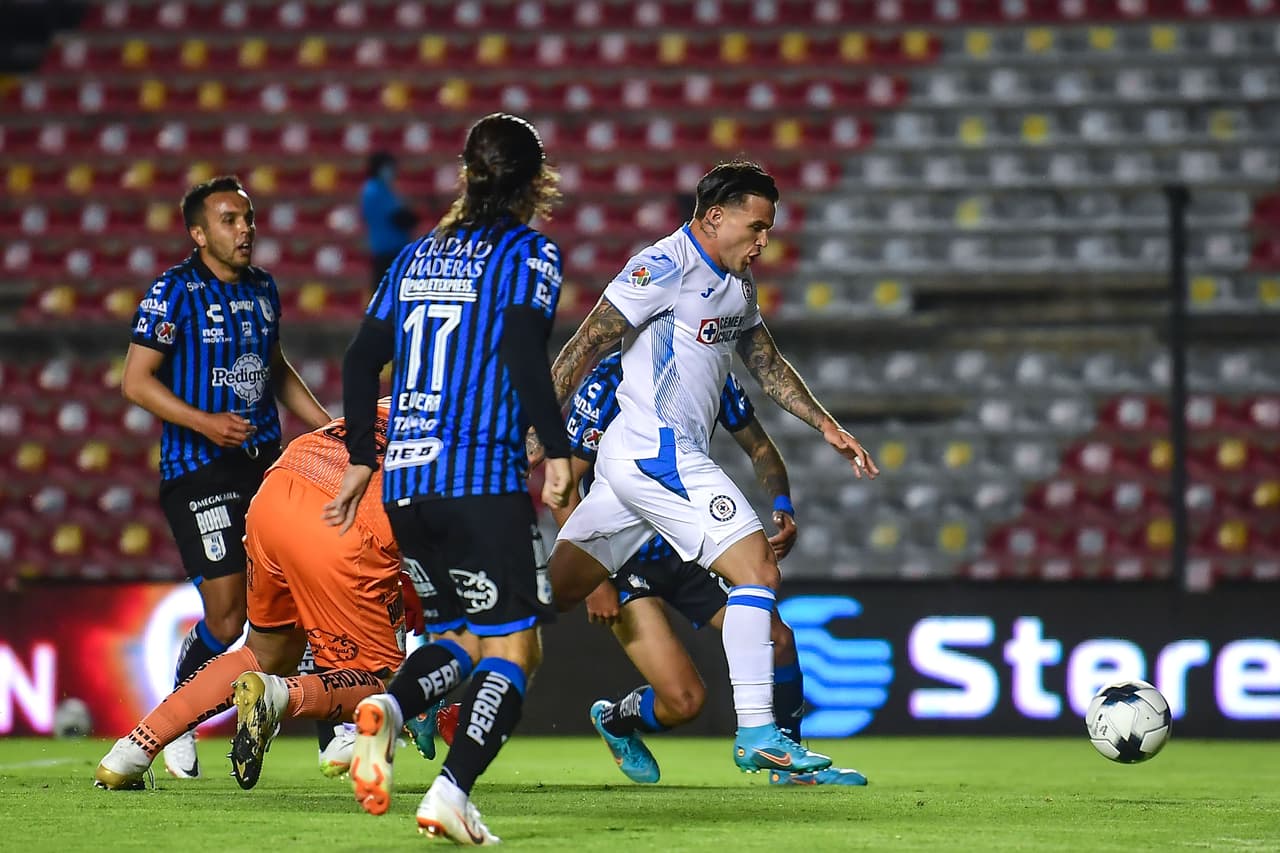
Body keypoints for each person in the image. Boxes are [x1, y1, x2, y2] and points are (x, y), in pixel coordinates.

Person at [542, 159, 879, 777]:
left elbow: (765, 359)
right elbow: (589, 340)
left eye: (769, 230)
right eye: (756, 228)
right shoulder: (662, 267)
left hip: (638, 469)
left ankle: (431, 668)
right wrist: (541, 426)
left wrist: (826, 424)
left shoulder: (736, 283)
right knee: (758, 571)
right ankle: (760, 736)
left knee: (547, 594)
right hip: (658, 451)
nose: (764, 242)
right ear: (715, 217)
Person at [325, 112, 572, 845]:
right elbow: (526, 354)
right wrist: (556, 451)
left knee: (459, 634)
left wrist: (365, 458)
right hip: (480, 479)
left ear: (467, 174)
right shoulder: (531, 254)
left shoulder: (411, 258)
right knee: (514, 648)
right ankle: (451, 792)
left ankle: (389, 713)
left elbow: (357, 361)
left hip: (405, 483)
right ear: (534, 183)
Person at [556, 352, 867, 787]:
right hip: (625, 556)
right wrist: (598, 583)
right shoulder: (611, 376)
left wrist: (782, 504)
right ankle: (615, 720)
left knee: (778, 638)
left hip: (688, 543)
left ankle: (790, 762)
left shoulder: (708, 368)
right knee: (684, 702)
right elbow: (567, 482)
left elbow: (758, 445)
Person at [122, 174, 330, 778]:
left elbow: (276, 368)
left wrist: (326, 429)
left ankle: (327, 728)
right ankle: (175, 719)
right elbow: (136, 381)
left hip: (265, 466)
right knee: (224, 617)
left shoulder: (264, 288)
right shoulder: (173, 293)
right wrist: (206, 422)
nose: (245, 230)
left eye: (247, 218)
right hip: (200, 469)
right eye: (229, 220)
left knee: (299, 591)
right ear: (198, 232)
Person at [93, 402, 413, 791]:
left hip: (278, 490)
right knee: (384, 684)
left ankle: (131, 751)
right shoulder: (482, 435)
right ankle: (278, 696)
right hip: (346, 521)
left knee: (263, 654)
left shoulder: (400, 398)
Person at [361, 151, 418, 293]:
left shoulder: (382, 189)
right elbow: (399, 218)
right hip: (387, 251)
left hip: (392, 249)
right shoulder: (375, 190)